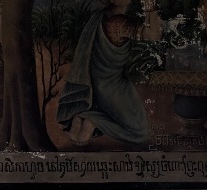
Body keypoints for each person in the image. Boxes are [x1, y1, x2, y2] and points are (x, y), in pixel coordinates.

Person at [56, 0, 161, 147]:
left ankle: (82, 117)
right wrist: (151, 5)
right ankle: (92, 121)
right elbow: (154, 35)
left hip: (97, 84)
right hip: (114, 87)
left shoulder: (100, 17)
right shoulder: (119, 23)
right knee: (140, 132)